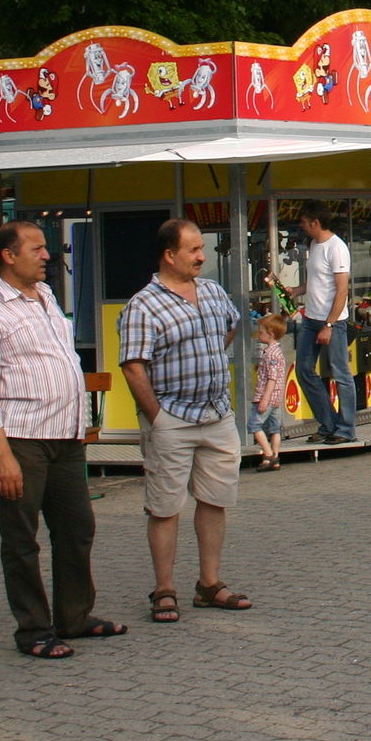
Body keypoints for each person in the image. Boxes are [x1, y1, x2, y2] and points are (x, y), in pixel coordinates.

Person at [0, 222, 125, 657]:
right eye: (36, 248)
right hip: (18, 439)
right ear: (8, 256)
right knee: (21, 538)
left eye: (45, 248)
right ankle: (33, 629)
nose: (47, 255)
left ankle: (74, 616)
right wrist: (2, 456)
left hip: (64, 437)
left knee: (77, 528)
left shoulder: (46, 296)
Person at [119, 218, 254, 624]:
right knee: (165, 507)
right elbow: (133, 366)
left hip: (216, 414)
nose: (201, 256)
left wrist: (206, 363)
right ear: (169, 254)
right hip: (172, 418)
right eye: (193, 249)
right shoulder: (143, 305)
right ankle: (164, 589)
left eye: (201, 248)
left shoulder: (212, 291)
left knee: (215, 501)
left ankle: (209, 585)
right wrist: (157, 418)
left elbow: (230, 327)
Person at [279, 201, 355, 444]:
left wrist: (329, 325)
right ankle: (328, 423)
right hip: (311, 318)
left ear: (315, 222)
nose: (301, 226)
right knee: (304, 370)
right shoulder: (314, 245)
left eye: (304, 222)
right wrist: (296, 290)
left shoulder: (337, 248)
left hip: (331, 321)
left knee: (340, 373)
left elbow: (341, 290)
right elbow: (317, 281)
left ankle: (346, 429)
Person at [249, 313, 289, 471]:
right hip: (277, 397)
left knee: (254, 425)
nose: (259, 335)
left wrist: (264, 399)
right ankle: (276, 457)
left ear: (270, 334)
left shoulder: (270, 354)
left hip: (266, 396)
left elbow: (272, 378)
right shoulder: (277, 352)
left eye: (261, 332)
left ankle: (268, 453)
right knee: (274, 428)